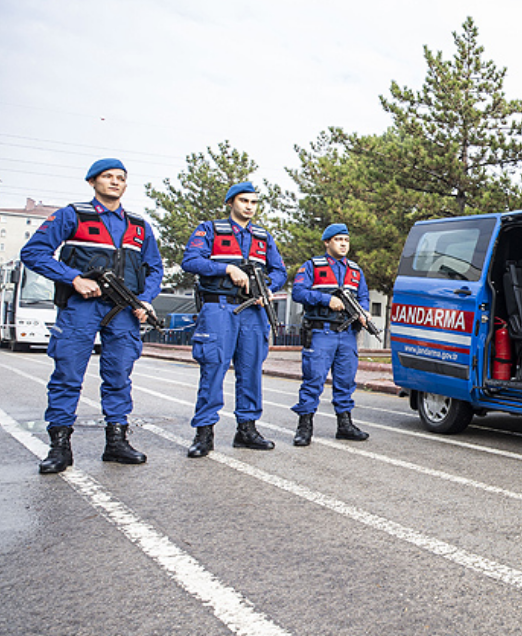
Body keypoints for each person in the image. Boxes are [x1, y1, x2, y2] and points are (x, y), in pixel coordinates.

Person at [20, 158, 163, 474]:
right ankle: (59, 447)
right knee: (68, 375)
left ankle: (116, 442)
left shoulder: (139, 225)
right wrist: (74, 278)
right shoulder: (73, 215)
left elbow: (154, 267)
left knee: (119, 377)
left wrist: (146, 299)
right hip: (81, 308)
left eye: (121, 178)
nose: (115, 182)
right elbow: (33, 252)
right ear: (92, 182)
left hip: (124, 311)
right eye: (108, 176)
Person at [181, 181, 287, 457]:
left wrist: (269, 289)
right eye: (243, 201)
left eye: (253, 202)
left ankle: (247, 429)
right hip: (220, 308)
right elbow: (190, 260)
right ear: (230, 203)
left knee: (251, 369)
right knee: (213, 367)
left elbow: (279, 271)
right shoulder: (209, 230)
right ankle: (204, 433)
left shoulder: (263, 237)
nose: (249, 207)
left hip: (253, 310)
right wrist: (226, 268)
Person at [288, 223, 371, 446]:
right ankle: (304, 426)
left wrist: (364, 312)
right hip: (321, 331)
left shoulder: (355, 270)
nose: (343, 244)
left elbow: (363, 296)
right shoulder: (312, 266)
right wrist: (326, 300)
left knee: (345, 380)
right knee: (313, 379)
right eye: (338, 240)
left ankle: (344, 425)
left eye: (346, 240)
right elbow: (298, 292)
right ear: (327, 242)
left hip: (347, 334)